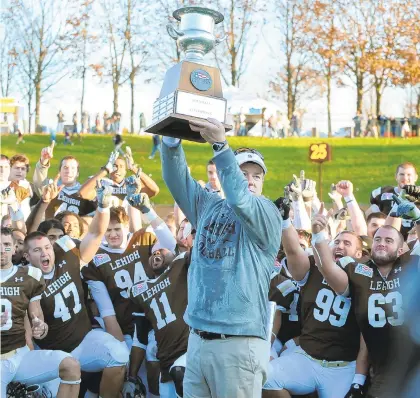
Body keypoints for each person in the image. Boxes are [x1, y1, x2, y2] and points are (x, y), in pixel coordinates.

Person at [161, 117, 282, 398]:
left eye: (257, 175)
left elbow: (240, 199)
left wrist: (219, 143)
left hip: (238, 344)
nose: (250, 181)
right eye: (243, 173)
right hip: (198, 339)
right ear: (229, 174)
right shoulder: (209, 205)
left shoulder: (267, 213)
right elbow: (176, 180)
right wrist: (171, 137)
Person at [23, 181, 130, 398]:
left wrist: (102, 206)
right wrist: (38, 325)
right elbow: (35, 313)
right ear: (26, 257)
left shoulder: (66, 253)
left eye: (47, 247)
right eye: (37, 250)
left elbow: (96, 233)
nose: (45, 253)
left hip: (84, 341)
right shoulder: (27, 278)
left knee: (119, 355)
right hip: (54, 353)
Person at [309, 197, 420, 397]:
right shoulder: (358, 271)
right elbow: (327, 267)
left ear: (401, 249)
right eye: (377, 239)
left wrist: (418, 219)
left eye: (388, 241)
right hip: (383, 371)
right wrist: (318, 235)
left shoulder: (411, 264)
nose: (381, 243)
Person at [263, 200, 368, 398]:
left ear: (359, 254)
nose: (339, 246)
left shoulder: (361, 276)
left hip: (343, 367)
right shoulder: (314, 267)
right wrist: (285, 221)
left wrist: (319, 235)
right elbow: (294, 251)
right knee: (264, 377)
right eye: (336, 241)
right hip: (307, 358)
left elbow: (330, 271)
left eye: (347, 243)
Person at [1, 227, 81, 397]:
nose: (2, 250)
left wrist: (41, 326)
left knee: (71, 366)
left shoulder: (30, 275)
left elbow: (35, 313)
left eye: (6, 245)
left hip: (20, 355)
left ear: (15, 247)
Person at [129, 243, 190, 398]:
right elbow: (140, 337)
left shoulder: (181, 265)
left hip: (188, 350)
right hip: (166, 358)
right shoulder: (140, 290)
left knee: (181, 375)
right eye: (153, 252)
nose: (157, 253)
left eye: (162, 251)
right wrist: (131, 377)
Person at [33, 144, 98, 218]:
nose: (69, 171)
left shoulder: (85, 192)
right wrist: (44, 160)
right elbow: (39, 184)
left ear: (77, 174)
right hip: (52, 228)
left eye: (73, 168)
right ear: (59, 171)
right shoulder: (53, 187)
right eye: (65, 167)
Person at [370, 162, 418, 239]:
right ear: (396, 176)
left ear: (415, 177)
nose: (405, 178)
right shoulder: (382, 194)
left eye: (409, 175)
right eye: (401, 174)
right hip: (389, 240)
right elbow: (370, 219)